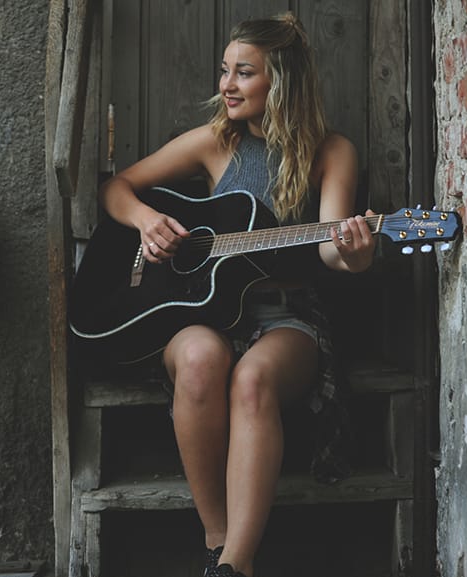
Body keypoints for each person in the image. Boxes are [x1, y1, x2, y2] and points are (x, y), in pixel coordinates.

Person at [96, 12, 376, 577]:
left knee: (252, 379)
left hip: (286, 315)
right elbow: (115, 187)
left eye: (243, 73)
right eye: (224, 70)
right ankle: (217, 546)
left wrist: (355, 251)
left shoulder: (330, 152)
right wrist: (149, 221)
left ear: (283, 82)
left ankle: (236, 566)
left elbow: (329, 248)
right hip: (203, 314)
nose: (226, 84)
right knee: (200, 359)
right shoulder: (214, 143)